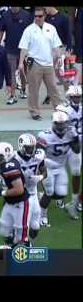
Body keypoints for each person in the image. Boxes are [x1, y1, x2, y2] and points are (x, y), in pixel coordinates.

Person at [18, 7, 64, 121]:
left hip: (49, 63)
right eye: (35, 16)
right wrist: (20, 63)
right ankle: (34, 112)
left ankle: (59, 111)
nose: (37, 18)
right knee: (33, 89)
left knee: (53, 88)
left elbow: (56, 45)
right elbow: (23, 48)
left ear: (45, 16)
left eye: (40, 16)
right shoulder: (29, 29)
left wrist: (59, 57)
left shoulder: (51, 28)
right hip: (35, 63)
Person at [37, 110, 81, 225]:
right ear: (54, 123)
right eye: (59, 123)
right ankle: (42, 216)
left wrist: (74, 139)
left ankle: (42, 196)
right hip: (48, 166)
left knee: (61, 194)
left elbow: (77, 150)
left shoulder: (71, 132)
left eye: (63, 123)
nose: (62, 126)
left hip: (61, 166)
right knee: (50, 192)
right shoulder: (45, 135)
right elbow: (38, 155)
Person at [0, 142, 31, 248]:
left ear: (7, 154)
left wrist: (2, 192)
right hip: (10, 202)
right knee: (4, 229)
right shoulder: (7, 164)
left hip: (20, 203)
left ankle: (26, 253)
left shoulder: (10, 167)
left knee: (21, 237)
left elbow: (19, 190)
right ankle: (12, 246)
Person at [14, 133, 48, 244]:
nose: (31, 149)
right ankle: (21, 243)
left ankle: (22, 239)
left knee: (35, 227)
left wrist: (40, 177)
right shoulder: (14, 158)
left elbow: (45, 171)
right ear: (21, 146)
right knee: (23, 225)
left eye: (33, 147)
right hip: (21, 195)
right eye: (29, 147)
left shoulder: (39, 156)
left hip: (33, 194)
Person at [0, 7, 32, 103]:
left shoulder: (26, 15)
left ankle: (23, 90)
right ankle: (12, 95)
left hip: (24, 49)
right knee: (11, 73)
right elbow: (0, 32)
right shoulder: (5, 15)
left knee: (23, 71)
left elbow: (32, 32)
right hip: (10, 49)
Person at [56, 85, 82, 213]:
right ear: (69, 97)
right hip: (64, 143)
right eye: (75, 97)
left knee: (76, 172)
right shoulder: (63, 109)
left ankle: (75, 200)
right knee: (56, 170)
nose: (77, 99)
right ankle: (54, 194)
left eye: (78, 97)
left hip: (77, 144)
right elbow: (58, 125)